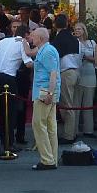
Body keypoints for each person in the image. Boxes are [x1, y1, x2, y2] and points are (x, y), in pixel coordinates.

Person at [0, 24, 33, 153]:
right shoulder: (22, 43)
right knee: (9, 113)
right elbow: (28, 63)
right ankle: (8, 144)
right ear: (26, 34)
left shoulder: (4, 40)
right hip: (9, 78)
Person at [28, 27, 60, 170]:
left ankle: (47, 160)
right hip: (47, 91)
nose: (31, 38)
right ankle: (52, 158)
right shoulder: (46, 50)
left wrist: (50, 94)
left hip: (44, 92)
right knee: (50, 126)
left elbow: (53, 73)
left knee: (39, 125)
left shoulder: (47, 51)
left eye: (33, 36)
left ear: (40, 38)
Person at [52, 14, 80, 144]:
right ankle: (73, 132)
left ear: (54, 25)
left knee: (67, 105)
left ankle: (69, 136)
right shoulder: (74, 38)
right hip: (75, 72)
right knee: (73, 104)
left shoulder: (59, 38)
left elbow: (55, 56)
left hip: (66, 72)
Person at [74, 22, 96, 138]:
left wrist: (87, 58)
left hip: (90, 75)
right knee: (76, 104)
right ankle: (74, 130)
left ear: (84, 30)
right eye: (75, 29)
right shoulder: (73, 43)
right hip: (78, 75)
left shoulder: (92, 43)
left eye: (79, 29)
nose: (77, 31)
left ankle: (89, 130)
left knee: (88, 105)